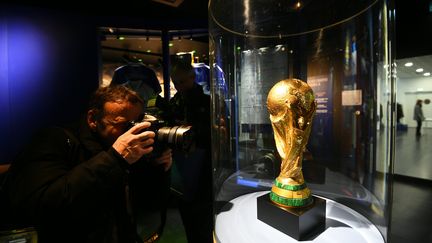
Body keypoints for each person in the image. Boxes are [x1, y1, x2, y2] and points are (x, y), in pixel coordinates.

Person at [3, 85, 172, 243]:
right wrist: (114, 159)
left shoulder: (128, 151)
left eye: (135, 125)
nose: (131, 133)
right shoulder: (54, 141)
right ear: (93, 119)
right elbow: (42, 204)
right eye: (123, 125)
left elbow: (148, 205)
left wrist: (157, 169)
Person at [168, 59, 213, 243]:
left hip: (202, 168)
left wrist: (193, 131)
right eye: (176, 83)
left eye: (182, 81)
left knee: (202, 220)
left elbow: (216, 134)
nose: (179, 86)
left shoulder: (206, 101)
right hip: (180, 165)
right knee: (187, 217)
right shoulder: (174, 103)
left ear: (193, 78)